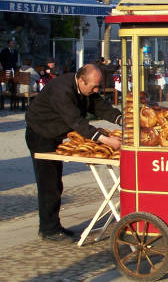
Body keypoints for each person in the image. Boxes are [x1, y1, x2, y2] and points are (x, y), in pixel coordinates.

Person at [25, 64, 122, 242]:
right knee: (49, 183)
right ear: (80, 80)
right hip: (40, 133)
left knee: (56, 182)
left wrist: (121, 119)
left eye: (97, 86)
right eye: (92, 86)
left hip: (55, 133)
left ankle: (53, 224)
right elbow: (76, 122)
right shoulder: (61, 91)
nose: (95, 90)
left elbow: (100, 106)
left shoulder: (85, 88)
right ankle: (48, 229)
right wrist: (106, 140)